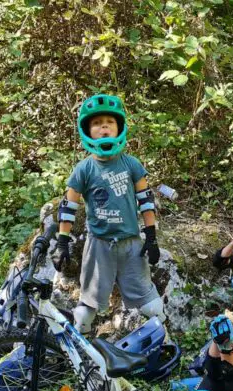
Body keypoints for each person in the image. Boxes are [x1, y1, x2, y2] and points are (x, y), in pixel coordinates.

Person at [50, 93, 165, 334]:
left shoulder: (131, 164)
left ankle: (161, 345)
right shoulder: (84, 169)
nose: (104, 127)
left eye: (110, 122)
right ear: (87, 130)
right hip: (99, 244)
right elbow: (68, 207)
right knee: (85, 310)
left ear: (119, 127)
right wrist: (62, 242)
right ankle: (80, 354)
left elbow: (146, 201)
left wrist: (151, 237)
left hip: (131, 242)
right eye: (97, 122)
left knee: (152, 306)